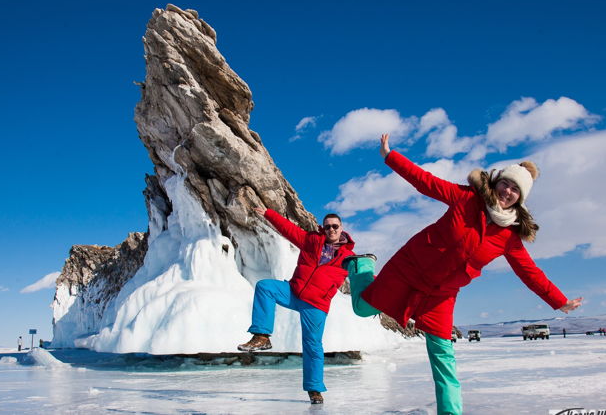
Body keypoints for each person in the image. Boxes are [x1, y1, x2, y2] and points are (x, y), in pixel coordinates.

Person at [345, 133, 583, 415]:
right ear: (496, 182)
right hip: (409, 269)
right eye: (505, 183)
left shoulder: (509, 237)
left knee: (443, 354)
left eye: (515, 190)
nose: (507, 192)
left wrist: (559, 301)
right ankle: (362, 266)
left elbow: (530, 272)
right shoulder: (466, 198)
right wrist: (390, 156)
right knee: (362, 308)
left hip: (441, 294)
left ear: (520, 199)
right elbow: (426, 182)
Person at [237, 207, 355, 405]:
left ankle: (315, 389)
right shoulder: (311, 241)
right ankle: (262, 336)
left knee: (313, 347)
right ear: (323, 228)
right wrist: (268, 213)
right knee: (265, 287)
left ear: (341, 228)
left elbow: (366, 278)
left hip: (316, 305)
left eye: (335, 226)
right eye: (327, 227)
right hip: (294, 291)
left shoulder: (348, 258)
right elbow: (288, 229)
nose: (331, 230)